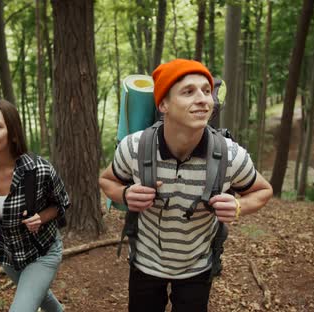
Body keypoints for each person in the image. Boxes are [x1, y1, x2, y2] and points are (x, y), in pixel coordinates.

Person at [99, 59, 273, 312]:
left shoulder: (231, 156)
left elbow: (263, 190)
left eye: (206, 90)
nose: (203, 99)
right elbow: (106, 180)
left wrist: (238, 206)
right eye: (188, 92)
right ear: (163, 104)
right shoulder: (134, 148)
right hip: (145, 264)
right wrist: (125, 194)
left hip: (198, 267)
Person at [0, 99, 68, 312]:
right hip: (7, 254)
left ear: (13, 133)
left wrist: (41, 218)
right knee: (41, 297)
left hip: (42, 251)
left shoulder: (38, 170)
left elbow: (62, 203)